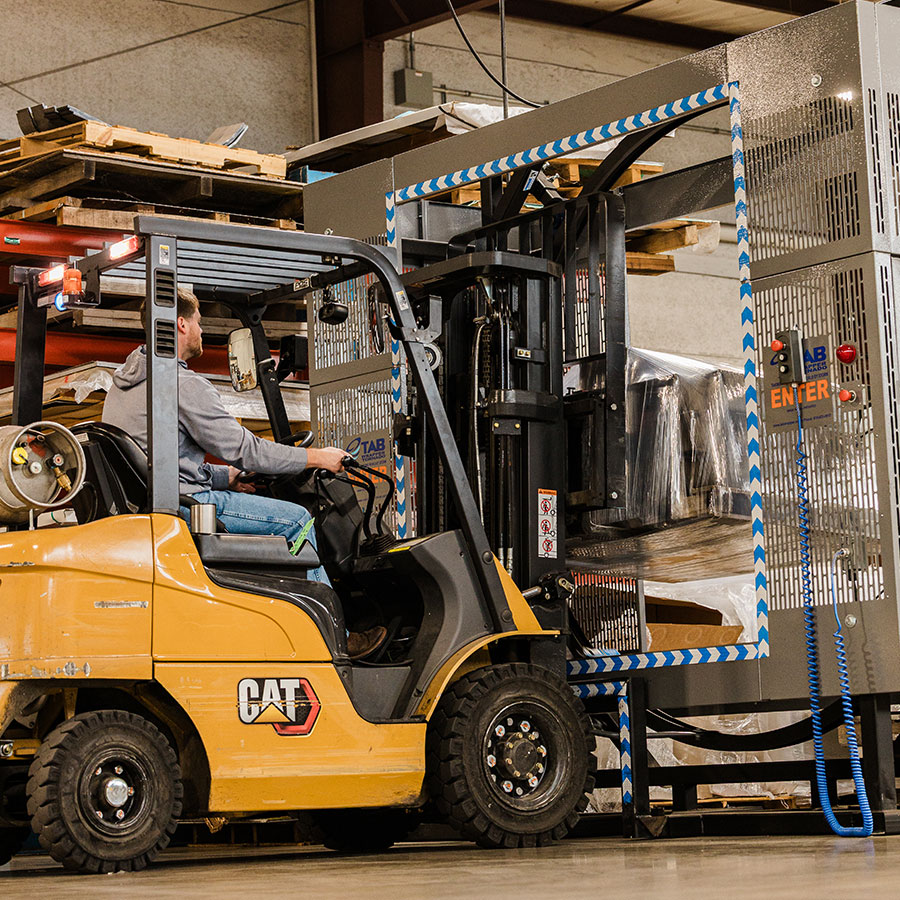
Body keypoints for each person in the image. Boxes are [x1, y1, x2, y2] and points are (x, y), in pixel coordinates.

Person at [102, 287, 386, 660]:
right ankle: (332, 638)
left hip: (156, 503)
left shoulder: (124, 385)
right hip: (185, 507)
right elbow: (245, 449)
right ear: (182, 324)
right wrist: (317, 458)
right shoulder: (181, 385)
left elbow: (165, 460)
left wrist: (228, 478)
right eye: (201, 324)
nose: (203, 333)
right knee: (298, 520)